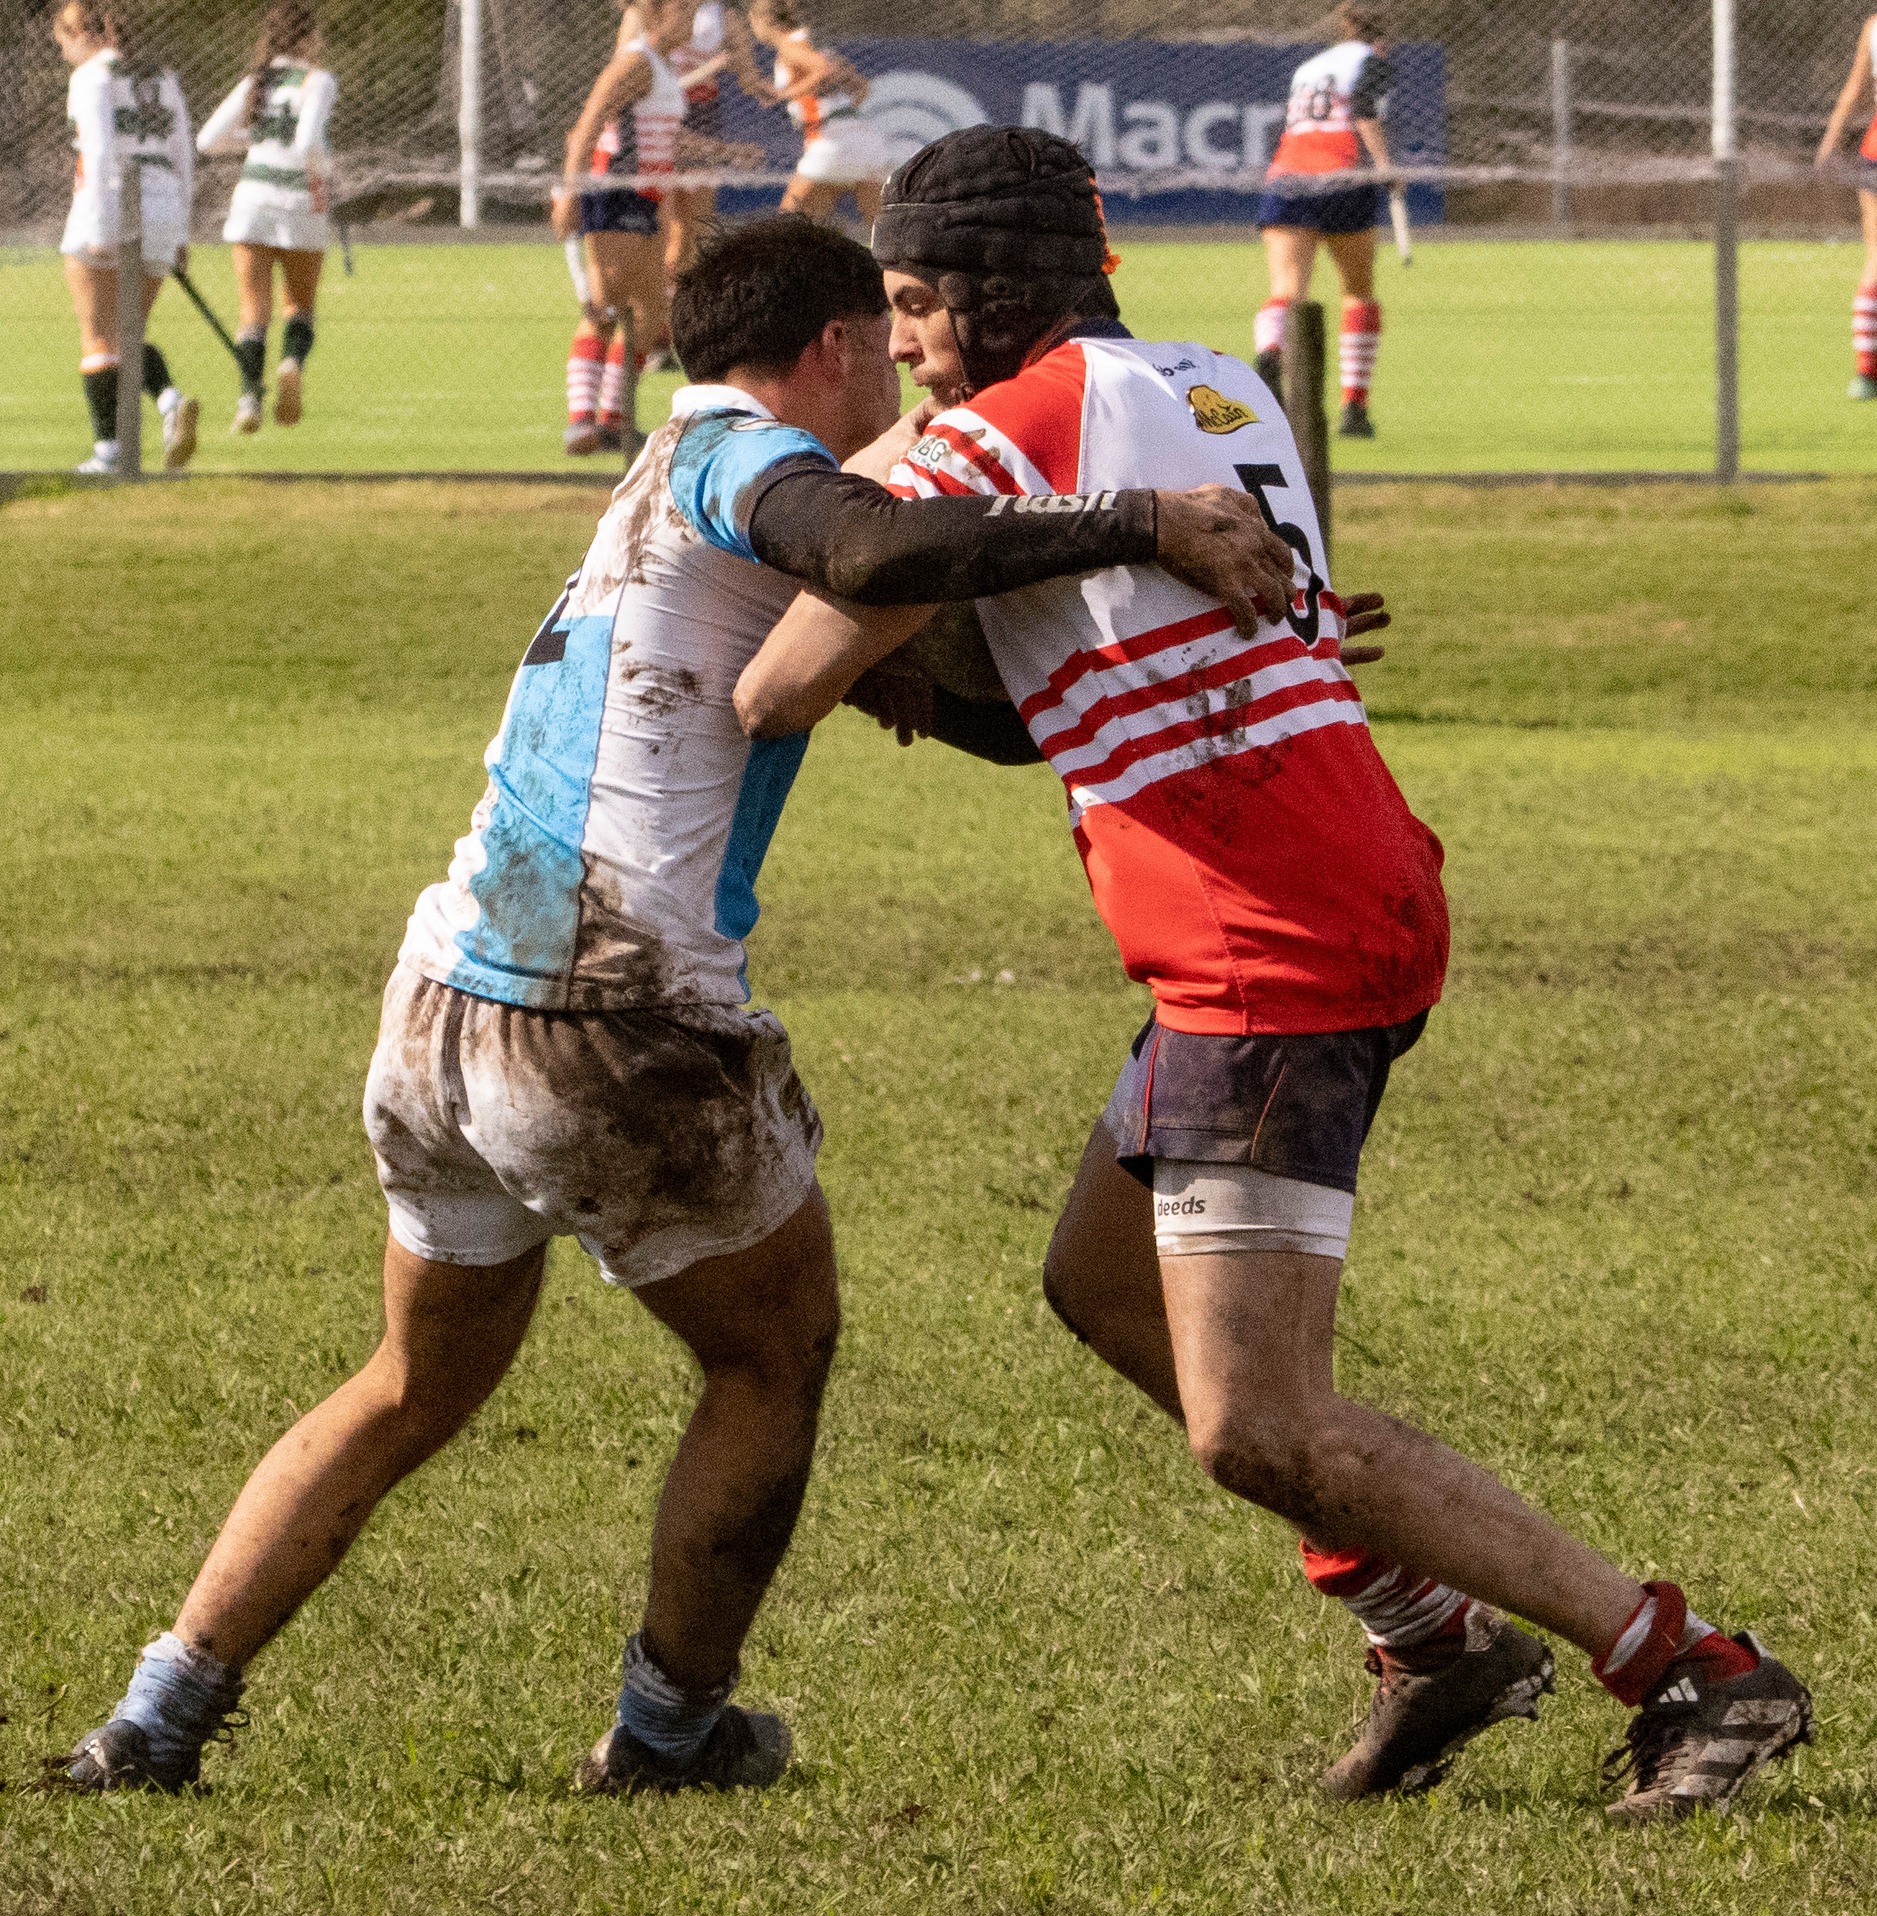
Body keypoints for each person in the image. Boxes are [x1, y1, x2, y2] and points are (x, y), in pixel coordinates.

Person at [61, 211, 1294, 1800]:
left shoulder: (662, 487)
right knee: (774, 1358)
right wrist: (1137, 519)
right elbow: (868, 549)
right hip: (607, 1016)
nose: (907, 379)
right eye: (889, 342)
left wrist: (1249, 660)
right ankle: (668, 1730)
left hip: (443, 1000)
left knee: (410, 1383)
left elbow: (936, 686)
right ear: (833, 348)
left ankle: (154, 1719)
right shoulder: (743, 462)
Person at [734, 126, 1816, 1826]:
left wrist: (847, 612)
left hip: (1271, 938)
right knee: (1102, 1280)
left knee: (1254, 1418)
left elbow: (793, 658)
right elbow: (1066, 683)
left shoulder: (1013, 425)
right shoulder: (1216, 382)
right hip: (1326, 881)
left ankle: (1685, 1661)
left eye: (914, 306)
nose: (909, 343)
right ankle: (1430, 1638)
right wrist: (952, 669)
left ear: (982, 294)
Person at [53, 0, 198, 475]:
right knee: (129, 333)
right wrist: (180, 231)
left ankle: (109, 452)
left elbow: (97, 151)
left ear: (80, 34)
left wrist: (98, 228)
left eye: (64, 44)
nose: (65, 55)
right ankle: (169, 399)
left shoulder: (91, 78)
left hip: (108, 204)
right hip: (163, 207)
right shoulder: (164, 77)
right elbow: (183, 158)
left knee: (98, 335)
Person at [552, 0, 693, 454]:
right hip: (614, 193)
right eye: (684, 7)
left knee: (653, 308)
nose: (692, 18)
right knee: (606, 302)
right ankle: (581, 421)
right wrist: (571, 195)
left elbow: (664, 137)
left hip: (647, 198)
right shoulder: (635, 61)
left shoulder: (664, 67)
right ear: (658, 12)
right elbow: (588, 124)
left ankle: (614, 418)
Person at [1255, 0, 1398, 439]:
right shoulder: (1372, 60)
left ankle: (1271, 355)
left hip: (1288, 177)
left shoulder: (1309, 67)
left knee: (1287, 290)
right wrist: (1385, 165)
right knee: (1357, 292)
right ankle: (1354, 407)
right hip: (1344, 176)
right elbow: (1364, 109)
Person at [197, 1, 337, 436]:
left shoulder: (256, 80)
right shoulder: (318, 80)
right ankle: (291, 362)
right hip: (299, 201)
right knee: (299, 305)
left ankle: (248, 401)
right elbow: (309, 140)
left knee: (251, 311)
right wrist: (326, 171)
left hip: (252, 198)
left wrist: (255, 141)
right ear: (309, 37)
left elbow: (207, 140)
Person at [662, 3, 775, 301]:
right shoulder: (660, 8)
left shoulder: (724, 15)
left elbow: (746, 70)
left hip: (703, 113)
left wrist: (767, 89)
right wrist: (712, 66)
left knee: (697, 228)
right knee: (670, 229)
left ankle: (681, 306)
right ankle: (659, 310)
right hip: (665, 113)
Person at [748, 0, 889, 225]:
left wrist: (782, 94)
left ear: (764, 21)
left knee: (786, 232)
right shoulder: (813, 44)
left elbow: (823, 69)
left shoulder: (789, 46)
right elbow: (862, 87)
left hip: (830, 142)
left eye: (752, 22)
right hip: (864, 140)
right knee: (880, 233)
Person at [1816, 11, 1877, 399]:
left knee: (1875, 257)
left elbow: (1855, 91)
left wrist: (1829, 143)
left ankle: (1865, 372)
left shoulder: (1874, 26)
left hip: (1875, 150)